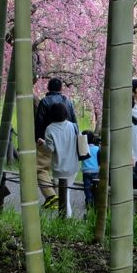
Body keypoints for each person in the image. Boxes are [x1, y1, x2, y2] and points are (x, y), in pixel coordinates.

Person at [34, 78, 77, 209]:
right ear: (61, 89)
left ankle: (51, 195)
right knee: (63, 176)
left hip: (48, 140)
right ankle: (63, 209)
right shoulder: (68, 102)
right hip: (67, 143)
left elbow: (39, 122)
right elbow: (75, 122)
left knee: (40, 169)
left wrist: (38, 140)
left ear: (48, 87)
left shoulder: (45, 101)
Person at [39, 103, 79, 217]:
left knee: (63, 195)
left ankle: (66, 219)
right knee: (66, 193)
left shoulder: (50, 129)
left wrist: (43, 144)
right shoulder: (73, 126)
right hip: (73, 166)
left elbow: (50, 149)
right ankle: (65, 218)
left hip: (59, 168)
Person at [81, 131, 100, 207]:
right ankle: (94, 202)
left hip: (85, 171)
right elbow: (99, 160)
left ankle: (88, 201)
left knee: (87, 188)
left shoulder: (83, 148)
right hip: (95, 171)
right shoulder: (97, 148)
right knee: (95, 187)